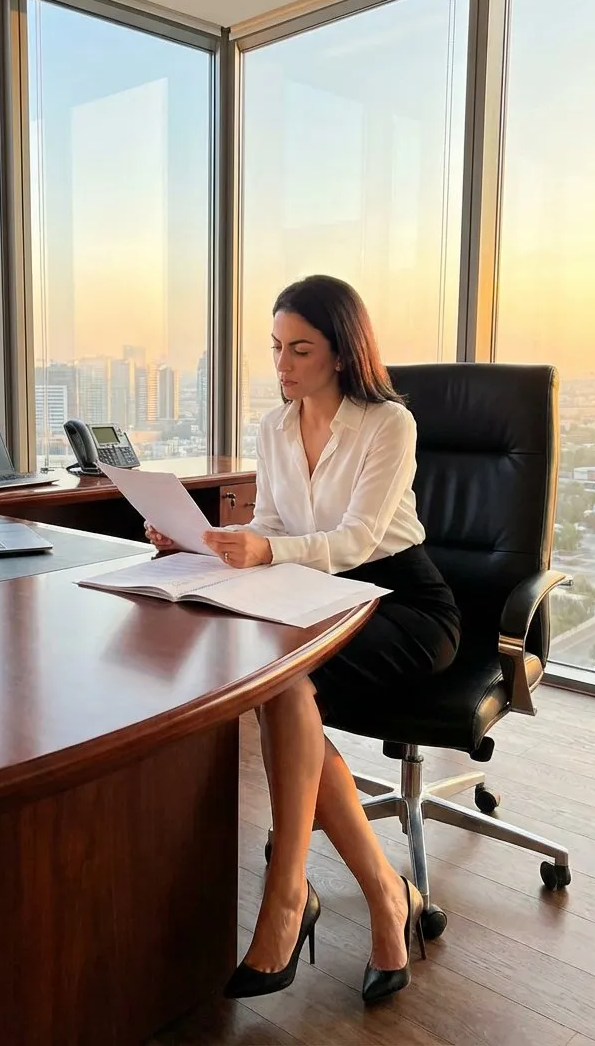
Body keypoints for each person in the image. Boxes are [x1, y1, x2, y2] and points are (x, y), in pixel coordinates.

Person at [145, 275, 460, 1004]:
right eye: (276, 348)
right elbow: (278, 527)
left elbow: (360, 539)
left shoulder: (388, 425)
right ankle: (382, 894)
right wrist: (202, 541)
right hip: (321, 595)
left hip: (403, 601)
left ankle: (291, 899)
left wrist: (267, 554)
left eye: (301, 350)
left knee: (282, 681)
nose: (282, 366)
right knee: (283, 680)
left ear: (342, 354)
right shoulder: (275, 427)